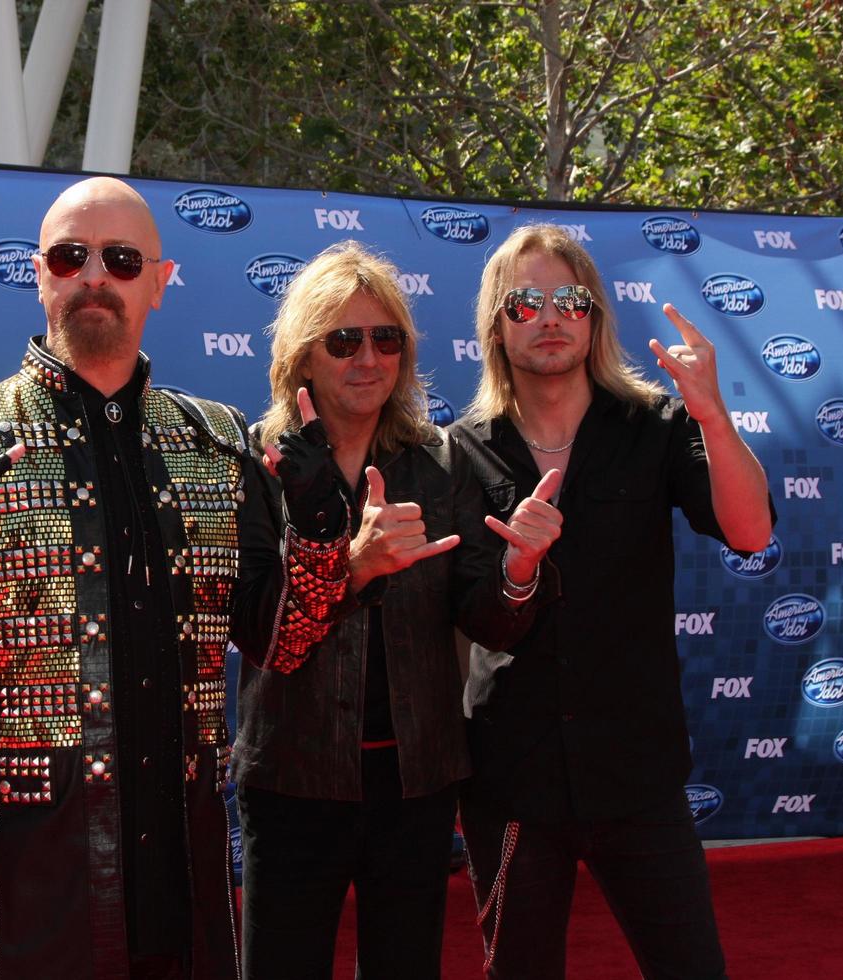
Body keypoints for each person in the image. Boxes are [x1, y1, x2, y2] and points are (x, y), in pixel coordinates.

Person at [0, 176, 351, 979]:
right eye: (71, 255)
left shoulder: (218, 444)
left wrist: (322, 532)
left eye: (121, 259)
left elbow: (285, 643)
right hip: (22, 876)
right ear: (39, 273)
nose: (95, 275)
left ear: (159, 282)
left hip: (177, 866)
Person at [450, 224, 774, 979]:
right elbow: (474, 615)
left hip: (638, 775)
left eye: (570, 299)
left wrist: (713, 415)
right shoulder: (459, 450)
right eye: (525, 303)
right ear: (496, 326)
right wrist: (520, 569)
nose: (551, 317)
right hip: (512, 783)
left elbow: (752, 532)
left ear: (594, 316)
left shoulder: (656, 425)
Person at [229, 242, 561, 980]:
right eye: (343, 340)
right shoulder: (257, 465)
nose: (368, 358)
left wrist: (517, 574)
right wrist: (350, 571)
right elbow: (257, 631)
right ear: (301, 356)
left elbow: (489, 620)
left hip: (416, 784)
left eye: (387, 339)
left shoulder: (445, 462)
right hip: (292, 779)